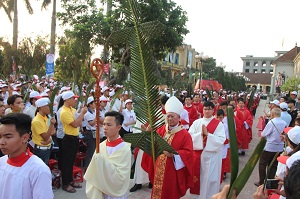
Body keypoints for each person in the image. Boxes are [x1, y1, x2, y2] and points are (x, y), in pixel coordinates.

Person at [142, 96, 194, 199]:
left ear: (179, 118)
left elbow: (188, 153)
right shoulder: (161, 130)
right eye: (168, 116)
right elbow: (152, 146)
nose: (170, 119)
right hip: (158, 167)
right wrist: (148, 135)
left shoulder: (185, 135)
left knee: (170, 192)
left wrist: (174, 154)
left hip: (172, 170)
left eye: (172, 116)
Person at [0, 113, 53, 199]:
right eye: (0, 137)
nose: (2, 142)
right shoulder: (1, 162)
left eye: (8, 137)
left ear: (25, 138)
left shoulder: (38, 170)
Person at [84, 111, 131, 199]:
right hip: (101, 190)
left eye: (109, 125)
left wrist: (101, 162)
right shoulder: (100, 146)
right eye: (104, 124)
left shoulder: (125, 149)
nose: (105, 128)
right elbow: (94, 171)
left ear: (118, 127)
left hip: (116, 193)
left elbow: (121, 177)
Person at [189, 101, 226, 199]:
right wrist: (200, 134)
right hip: (199, 155)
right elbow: (190, 137)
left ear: (213, 110)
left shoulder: (218, 124)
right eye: (205, 108)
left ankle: (210, 197)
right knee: (199, 178)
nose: (207, 111)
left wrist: (208, 135)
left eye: (209, 109)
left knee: (210, 179)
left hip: (212, 156)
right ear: (202, 109)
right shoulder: (197, 122)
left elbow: (221, 139)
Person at [60, 90, 87, 193]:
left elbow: (78, 119)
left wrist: (81, 112)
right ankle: (65, 184)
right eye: (73, 99)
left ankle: (70, 180)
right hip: (69, 138)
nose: (75, 100)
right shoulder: (64, 112)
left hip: (74, 138)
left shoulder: (71, 109)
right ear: (67, 100)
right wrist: (83, 113)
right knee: (66, 162)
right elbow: (75, 124)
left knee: (71, 161)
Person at [255, 108, 286, 187]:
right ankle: (269, 183)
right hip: (279, 147)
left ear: (272, 114)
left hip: (270, 146)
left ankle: (262, 181)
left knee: (262, 164)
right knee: (273, 166)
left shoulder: (271, 122)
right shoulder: (284, 123)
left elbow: (264, 134)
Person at [31, 97, 56, 164]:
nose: (50, 109)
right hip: (41, 150)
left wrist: (49, 138)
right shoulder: (36, 121)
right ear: (42, 107)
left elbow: (53, 131)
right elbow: (45, 137)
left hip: (47, 148)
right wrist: (51, 124)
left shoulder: (45, 117)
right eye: (47, 106)